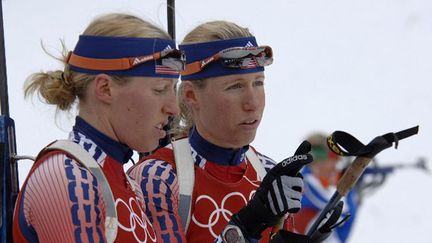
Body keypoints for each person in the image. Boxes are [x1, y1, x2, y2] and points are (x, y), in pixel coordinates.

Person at [128, 20, 339, 243]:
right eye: (235, 86)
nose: (252, 103)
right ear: (191, 95)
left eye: (258, 83)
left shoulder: (266, 171)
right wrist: (247, 226)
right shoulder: (160, 178)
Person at [12, 13, 184, 243]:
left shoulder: (123, 182)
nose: (174, 108)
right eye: (161, 89)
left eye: (174, 89)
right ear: (105, 89)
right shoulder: (68, 178)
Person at [291, 132, 358, 243]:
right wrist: (350, 188)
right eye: (333, 158)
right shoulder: (306, 183)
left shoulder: (312, 181)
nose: (336, 165)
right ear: (319, 161)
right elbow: (341, 210)